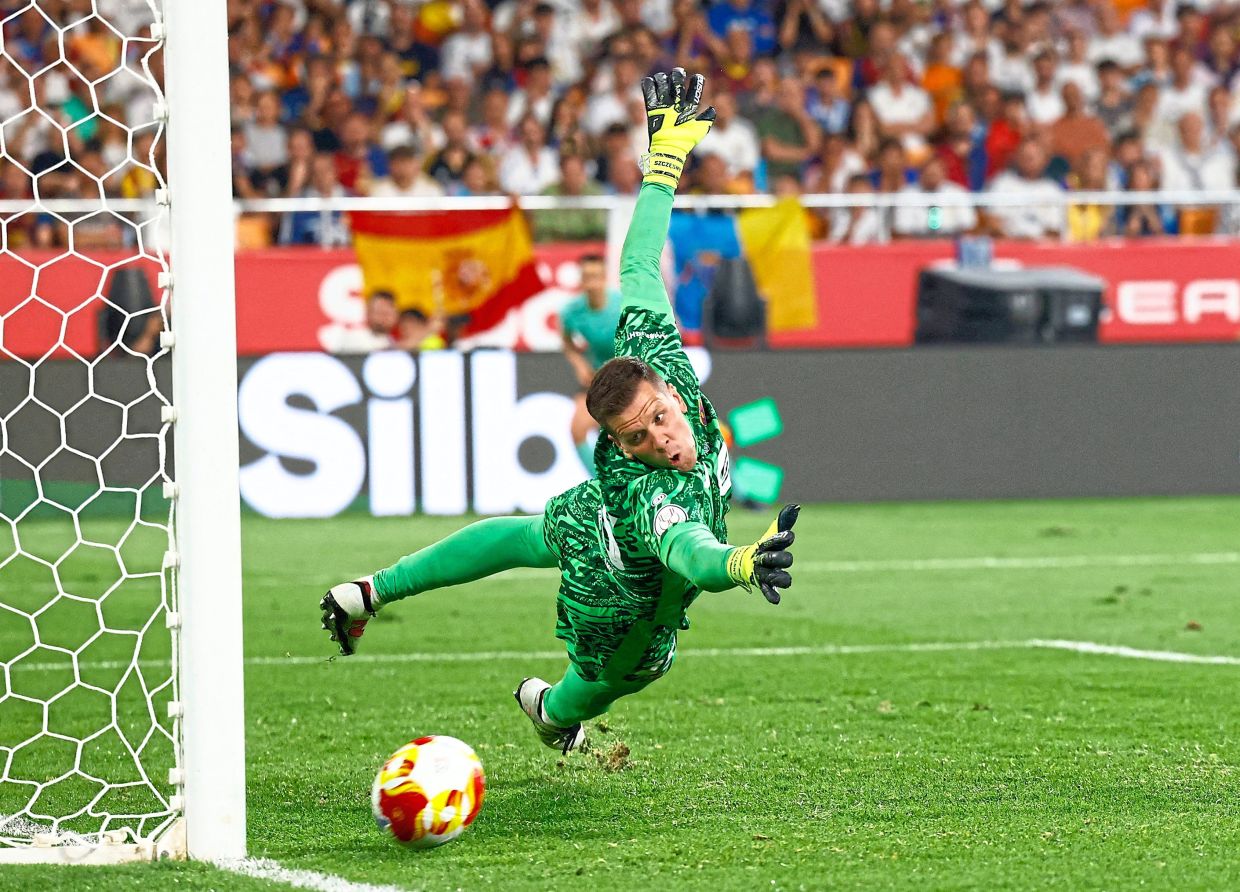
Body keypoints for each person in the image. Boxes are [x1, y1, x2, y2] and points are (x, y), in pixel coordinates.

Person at [320, 69, 800, 754]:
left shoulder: (656, 353)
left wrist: (663, 163)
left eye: (661, 417)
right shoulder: (651, 490)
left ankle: (368, 591)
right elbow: (689, 553)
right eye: (638, 438)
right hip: (626, 587)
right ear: (620, 446)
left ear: (665, 387)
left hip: (593, 517)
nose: (663, 440)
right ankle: (549, 709)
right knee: (614, 680)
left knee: (526, 535)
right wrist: (743, 563)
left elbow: (637, 263)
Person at [559, 254, 621, 474]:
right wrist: (579, 364)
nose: (591, 282)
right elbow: (567, 343)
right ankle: (600, 484)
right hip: (597, 379)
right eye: (586, 277)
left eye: (595, 276)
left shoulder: (622, 306)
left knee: (623, 434)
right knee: (577, 430)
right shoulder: (571, 312)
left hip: (626, 378)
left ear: (604, 278)